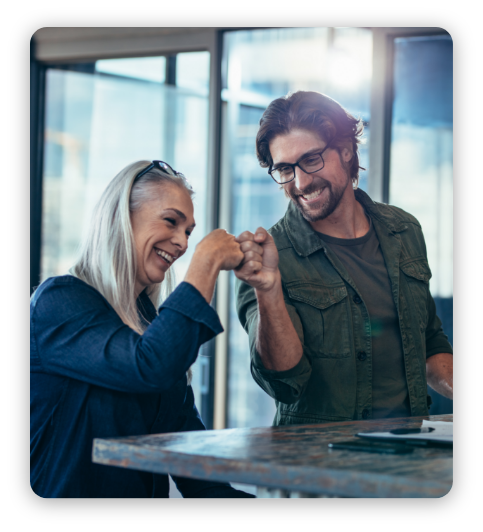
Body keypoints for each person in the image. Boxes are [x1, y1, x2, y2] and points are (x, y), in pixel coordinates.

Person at [30, 160, 254, 498]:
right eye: (171, 221)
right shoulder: (59, 302)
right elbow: (148, 366)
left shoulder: (154, 327)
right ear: (122, 216)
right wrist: (205, 262)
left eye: (189, 232)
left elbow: (190, 456)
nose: (181, 242)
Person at [235, 91, 453, 425]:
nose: (301, 182)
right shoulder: (268, 259)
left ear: (347, 151)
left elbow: (428, 341)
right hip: (317, 467)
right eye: (285, 169)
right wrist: (268, 290)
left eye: (311, 160)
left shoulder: (405, 230)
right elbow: (283, 382)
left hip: (409, 459)